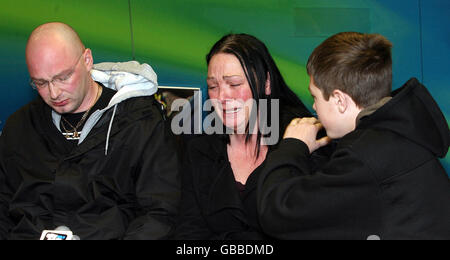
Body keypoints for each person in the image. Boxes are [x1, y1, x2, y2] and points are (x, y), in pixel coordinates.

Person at [257, 32, 450, 240]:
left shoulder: (365, 156)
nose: (313, 107)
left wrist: (293, 146)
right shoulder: (406, 134)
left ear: (340, 100)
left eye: (315, 97)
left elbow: (277, 213)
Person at [0, 22, 180, 240]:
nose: (54, 93)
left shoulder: (138, 122)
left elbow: (159, 212)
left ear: (87, 60)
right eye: (41, 83)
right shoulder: (20, 126)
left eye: (63, 77)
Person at [174, 33, 330, 240]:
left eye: (235, 84)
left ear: (266, 83)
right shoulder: (199, 148)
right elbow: (189, 232)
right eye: (213, 86)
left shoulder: (304, 140)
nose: (222, 97)